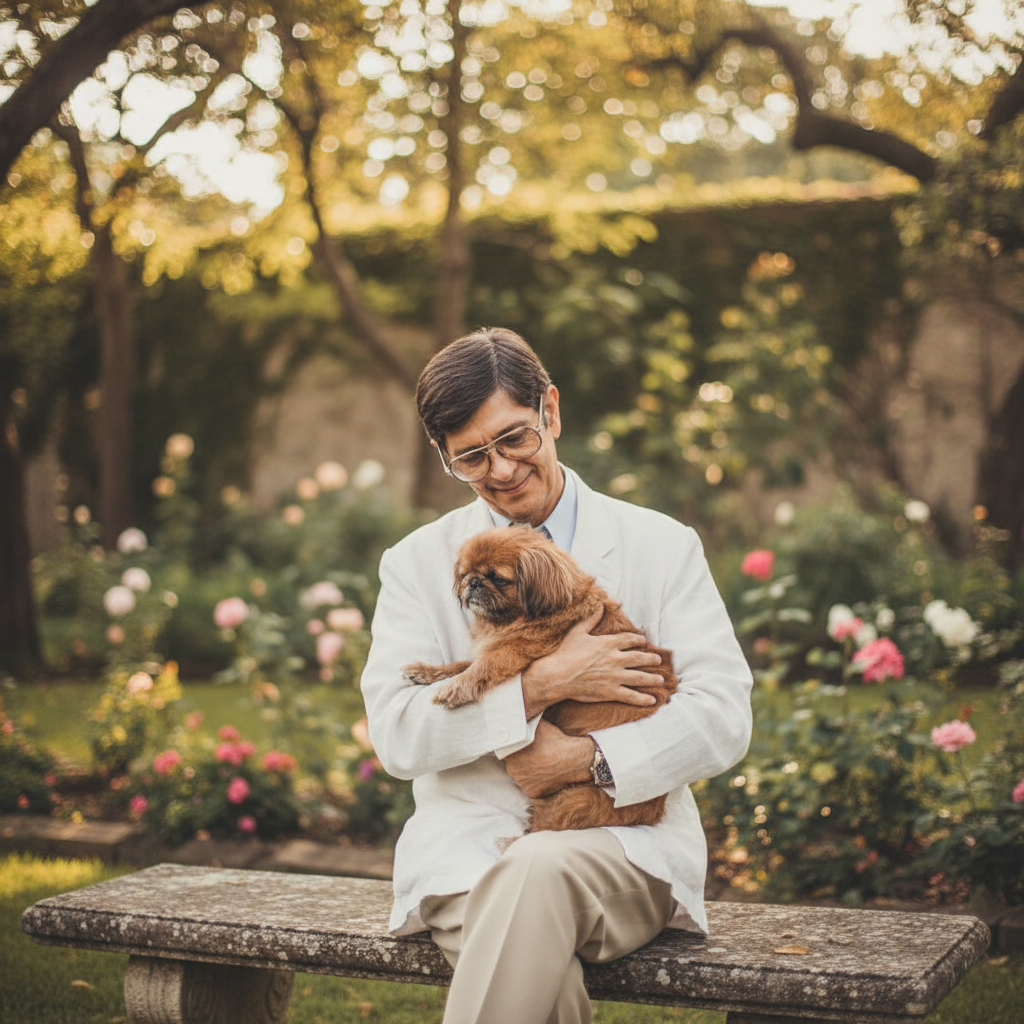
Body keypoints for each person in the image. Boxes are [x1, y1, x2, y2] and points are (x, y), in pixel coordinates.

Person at [360, 327, 753, 1024]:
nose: (502, 470)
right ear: (443, 456)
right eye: (472, 458)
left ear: (552, 411)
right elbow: (397, 737)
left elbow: (723, 716)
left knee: (535, 870)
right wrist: (543, 685)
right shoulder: (415, 563)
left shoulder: (662, 544)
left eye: (515, 439)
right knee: (534, 961)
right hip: (465, 854)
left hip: (624, 852)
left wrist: (592, 759)